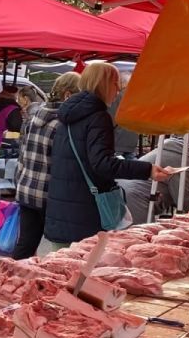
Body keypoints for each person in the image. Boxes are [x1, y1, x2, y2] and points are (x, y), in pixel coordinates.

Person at [45, 63, 171, 246]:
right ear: (104, 84)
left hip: (63, 206)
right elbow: (103, 164)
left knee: (63, 268)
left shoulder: (68, 114)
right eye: (116, 84)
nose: (118, 90)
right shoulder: (98, 117)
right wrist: (148, 169)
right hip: (85, 211)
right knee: (86, 268)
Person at [12, 71, 81, 259]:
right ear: (68, 95)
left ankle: (11, 279)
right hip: (49, 192)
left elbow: (22, 153)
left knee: (26, 243)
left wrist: (18, 182)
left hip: (27, 189)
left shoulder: (33, 116)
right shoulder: (63, 124)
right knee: (62, 247)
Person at [117, 136, 189, 224]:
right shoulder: (186, 160)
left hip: (123, 191)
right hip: (136, 197)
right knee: (139, 238)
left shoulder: (175, 150)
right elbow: (186, 199)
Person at [108, 72, 140, 159]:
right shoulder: (136, 97)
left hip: (118, 143)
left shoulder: (118, 97)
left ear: (121, 83)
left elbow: (110, 121)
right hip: (131, 143)